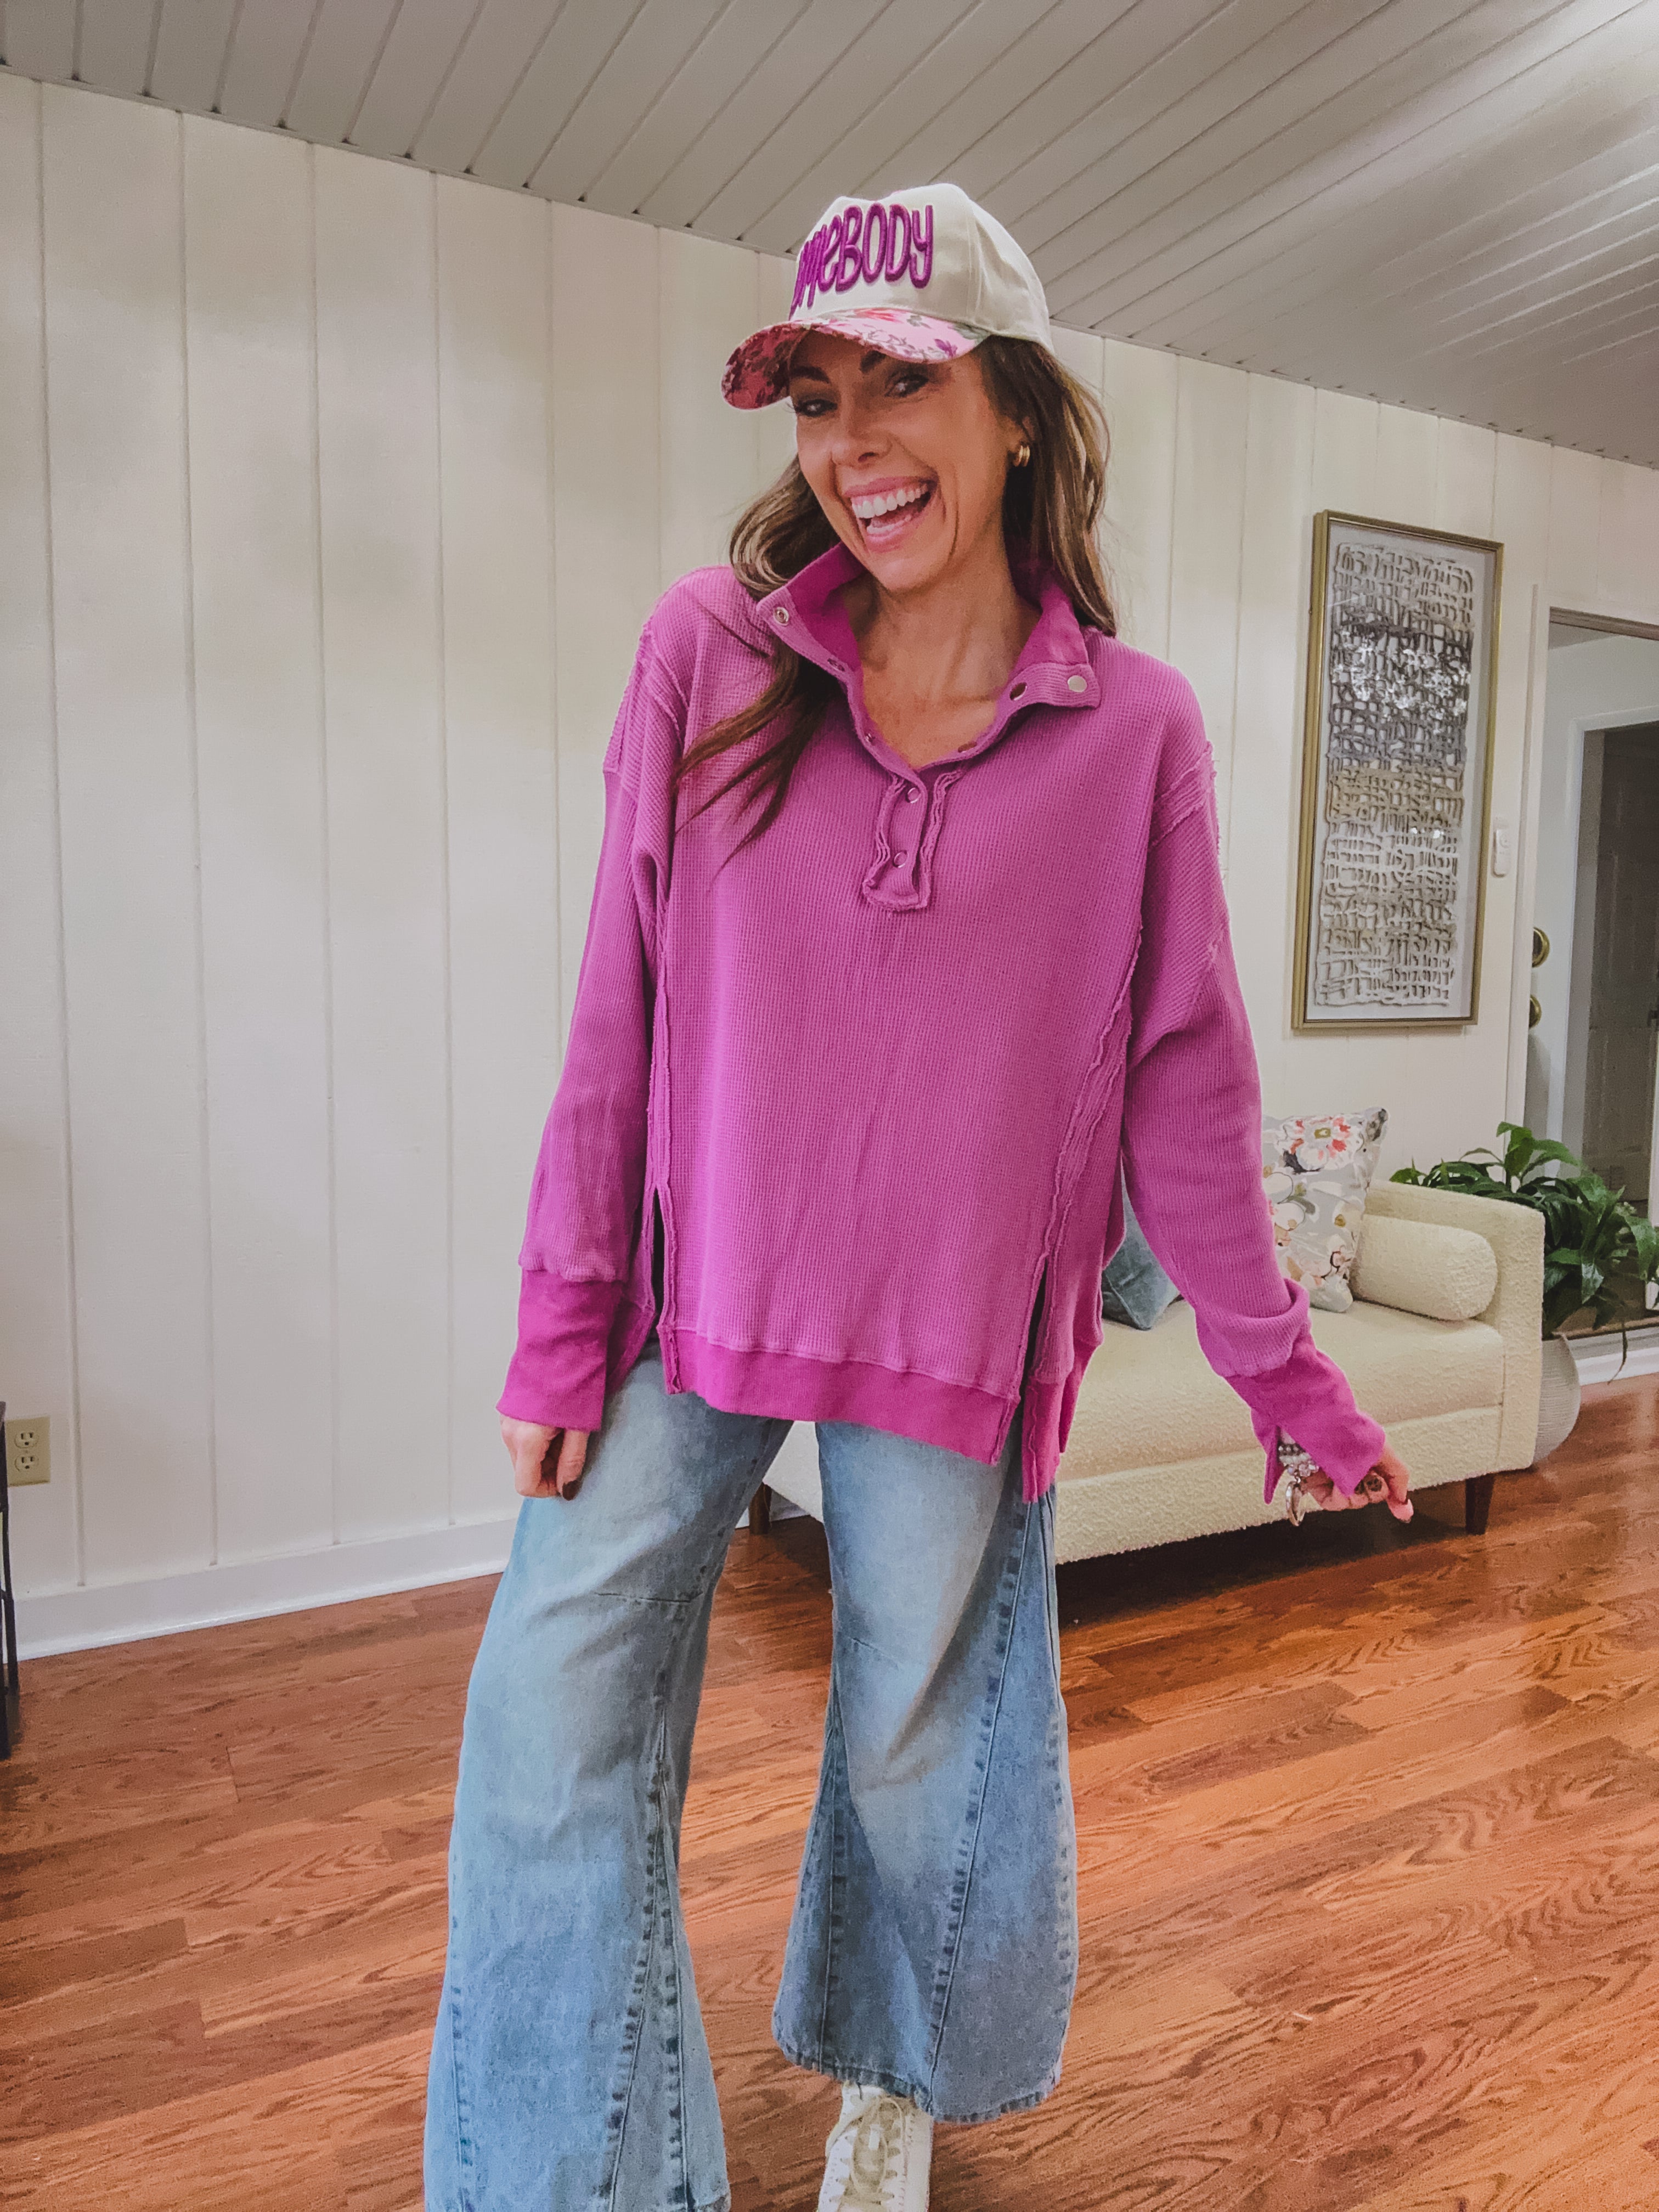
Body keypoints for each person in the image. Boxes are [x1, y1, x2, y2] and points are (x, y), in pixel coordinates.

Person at [423, 182, 1411, 2212]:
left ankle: (889, 2074)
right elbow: (615, 1003)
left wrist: (1285, 1376)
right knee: (540, 1728)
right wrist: (557, 1314)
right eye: (813, 395)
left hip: (955, 1340)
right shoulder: (705, 656)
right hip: (687, 1311)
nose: (855, 444)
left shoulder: (1134, 731)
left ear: (1023, 410)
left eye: (904, 383)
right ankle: (574, 2182)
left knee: (911, 1755)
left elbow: (1187, 1081)